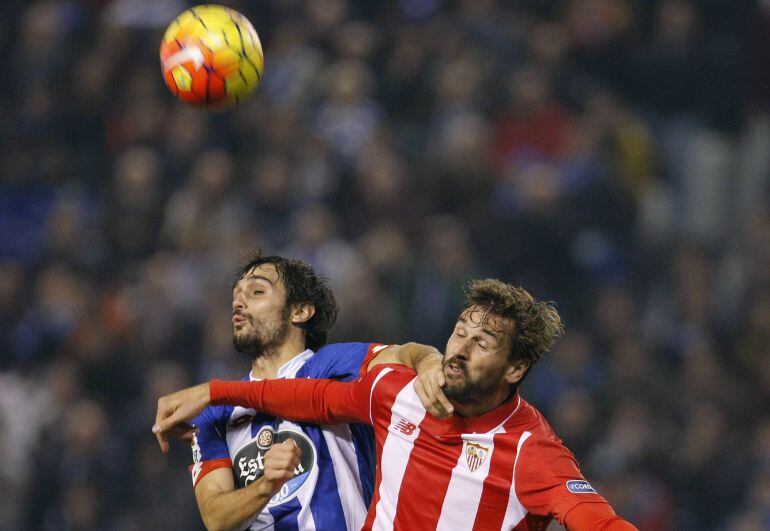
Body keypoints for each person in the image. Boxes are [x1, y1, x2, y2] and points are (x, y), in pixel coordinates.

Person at [155, 278, 637, 530]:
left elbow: (599, 522)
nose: (459, 349)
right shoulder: (401, 392)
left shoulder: (531, 451)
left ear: (515, 369)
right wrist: (216, 392)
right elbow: (310, 397)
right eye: (459, 332)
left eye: (483, 343)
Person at [162, 251, 450, 531]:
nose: (238, 302)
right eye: (236, 294)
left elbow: (405, 354)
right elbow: (216, 518)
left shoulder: (332, 365)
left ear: (300, 311)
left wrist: (429, 362)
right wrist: (266, 485)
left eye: (257, 292)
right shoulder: (213, 413)